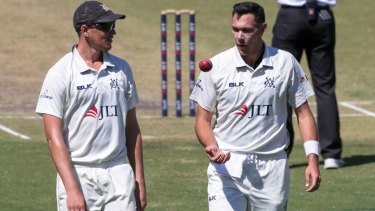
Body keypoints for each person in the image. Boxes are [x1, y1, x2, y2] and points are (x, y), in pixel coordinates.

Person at [190, 2, 321, 210]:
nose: (240, 37)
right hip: (226, 167)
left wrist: (312, 159)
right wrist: (211, 145)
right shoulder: (216, 66)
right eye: (235, 29)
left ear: (262, 29)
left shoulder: (286, 63)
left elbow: (303, 114)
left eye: (247, 31)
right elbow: (202, 120)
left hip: (272, 168)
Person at [35, 1, 146, 210]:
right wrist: (71, 188)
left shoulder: (122, 69)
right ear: (85, 30)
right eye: (105, 27)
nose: (112, 32)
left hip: (119, 172)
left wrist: (139, 181)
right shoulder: (59, 74)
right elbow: (53, 137)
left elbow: (132, 129)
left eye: (113, 26)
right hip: (79, 173)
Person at [272, 0, 343, 169]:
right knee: (325, 87)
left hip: (290, 16)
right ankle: (331, 154)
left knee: (282, 84)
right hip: (322, 15)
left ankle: (281, 151)